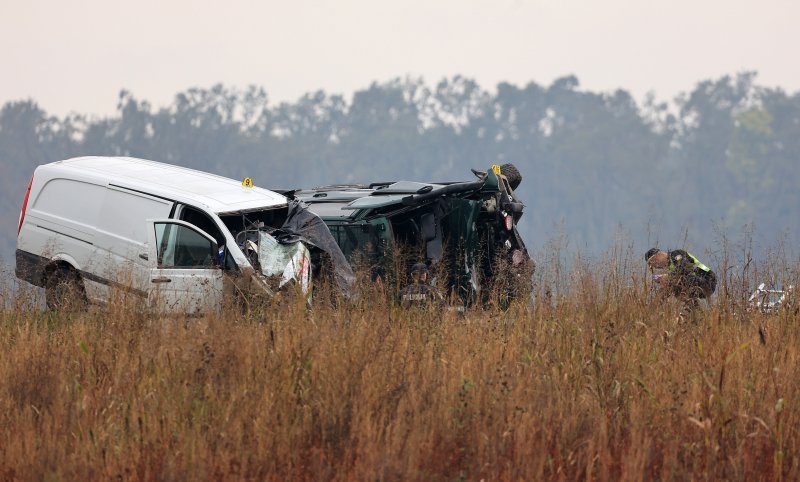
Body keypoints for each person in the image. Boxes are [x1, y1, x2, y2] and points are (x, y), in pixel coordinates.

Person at [646, 248, 717, 309]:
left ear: (659, 255)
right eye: (654, 266)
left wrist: (668, 277)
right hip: (698, 282)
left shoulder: (676, 254)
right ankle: (696, 311)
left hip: (707, 279)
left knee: (673, 283)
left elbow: (684, 269)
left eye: (655, 261)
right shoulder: (670, 266)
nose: (657, 265)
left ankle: (652, 308)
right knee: (675, 289)